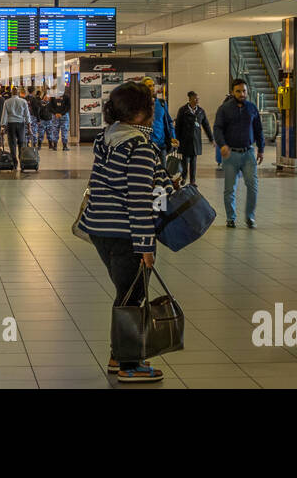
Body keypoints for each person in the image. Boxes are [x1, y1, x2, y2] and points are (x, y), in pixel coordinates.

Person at [77, 81, 173, 383]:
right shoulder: (140, 147)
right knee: (133, 296)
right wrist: (145, 245)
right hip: (124, 233)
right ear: (141, 112)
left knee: (126, 292)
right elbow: (138, 200)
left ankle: (119, 355)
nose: (155, 107)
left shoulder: (108, 139)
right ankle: (129, 365)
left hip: (101, 230)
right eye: (151, 102)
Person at [213, 79, 264, 229]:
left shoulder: (252, 108)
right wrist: (222, 145)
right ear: (232, 92)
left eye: (244, 91)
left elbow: (259, 130)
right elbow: (217, 128)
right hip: (230, 155)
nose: (242, 94)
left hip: (248, 153)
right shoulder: (224, 109)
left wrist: (261, 149)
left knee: (253, 186)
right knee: (230, 188)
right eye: (238, 91)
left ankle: (250, 217)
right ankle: (230, 218)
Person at [175, 91, 214, 186]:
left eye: (198, 99)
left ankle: (193, 181)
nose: (197, 100)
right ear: (190, 99)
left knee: (193, 162)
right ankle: (184, 177)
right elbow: (178, 126)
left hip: (195, 141)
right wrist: (176, 139)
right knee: (185, 161)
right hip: (185, 140)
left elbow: (206, 125)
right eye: (195, 99)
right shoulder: (183, 110)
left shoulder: (200, 111)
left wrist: (211, 138)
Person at [142, 77, 178, 157]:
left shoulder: (161, 103)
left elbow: (169, 121)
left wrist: (172, 136)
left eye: (153, 85)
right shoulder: (139, 105)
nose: (152, 88)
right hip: (147, 145)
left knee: (163, 169)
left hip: (162, 144)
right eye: (149, 86)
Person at [1, 87, 30, 170]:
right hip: (21, 124)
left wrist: (2, 127)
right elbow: (27, 114)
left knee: (12, 144)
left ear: (11, 93)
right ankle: (22, 161)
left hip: (11, 124)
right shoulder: (23, 101)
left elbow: (4, 115)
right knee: (22, 143)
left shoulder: (7, 102)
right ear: (18, 93)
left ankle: (14, 162)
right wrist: (29, 127)